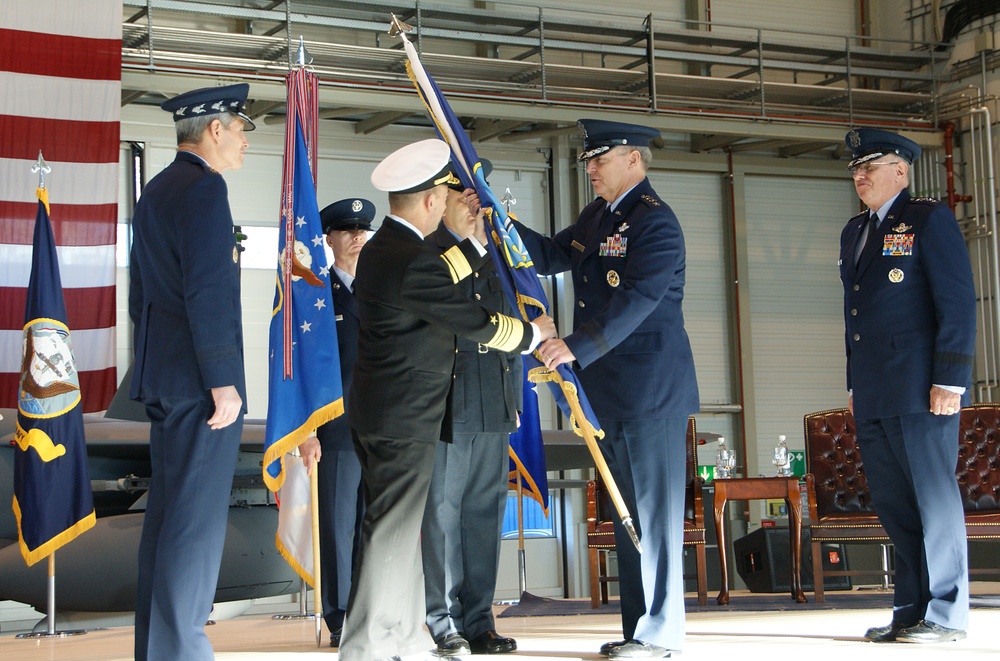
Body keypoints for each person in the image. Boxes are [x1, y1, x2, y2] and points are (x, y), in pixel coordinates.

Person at [337, 138, 556, 661]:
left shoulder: (393, 250)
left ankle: (389, 638)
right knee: (393, 536)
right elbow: (474, 320)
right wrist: (531, 336)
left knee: (395, 532)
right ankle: (367, 645)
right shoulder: (408, 259)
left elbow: (449, 273)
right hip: (405, 417)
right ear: (433, 201)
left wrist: (474, 240)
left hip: (394, 414)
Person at [514, 119, 700, 659]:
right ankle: (637, 627)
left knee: (656, 517)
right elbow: (550, 256)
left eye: (600, 158)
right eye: (589, 159)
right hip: (607, 391)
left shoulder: (656, 223)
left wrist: (577, 345)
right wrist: (499, 224)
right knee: (624, 511)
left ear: (633, 161)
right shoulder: (598, 216)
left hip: (649, 390)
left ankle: (662, 631)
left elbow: (639, 300)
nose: (590, 168)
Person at [128, 83, 254, 661]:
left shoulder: (157, 188)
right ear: (216, 129)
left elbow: (141, 295)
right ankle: (181, 650)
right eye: (242, 127)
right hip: (202, 385)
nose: (246, 139)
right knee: (194, 526)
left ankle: (158, 650)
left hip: (165, 373)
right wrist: (221, 379)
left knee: (167, 520)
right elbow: (206, 289)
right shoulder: (205, 189)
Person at [840, 128, 975, 644]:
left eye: (870, 166)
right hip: (875, 388)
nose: (860, 174)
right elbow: (855, 316)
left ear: (901, 170)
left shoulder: (927, 218)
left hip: (923, 386)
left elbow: (958, 304)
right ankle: (910, 609)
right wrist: (854, 382)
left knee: (934, 502)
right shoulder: (855, 230)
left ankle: (946, 614)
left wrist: (951, 379)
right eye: (855, 167)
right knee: (896, 505)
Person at [421, 161, 519, 656]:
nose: (472, 206)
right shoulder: (431, 254)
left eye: (475, 197)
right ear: (439, 201)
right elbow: (454, 311)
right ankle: (441, 622)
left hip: (492, 403)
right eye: (461, 196)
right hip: (448, 406)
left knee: (484, 513)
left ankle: (479, 620)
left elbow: (514, 322)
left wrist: (513, 399)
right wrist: (461, 239)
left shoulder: (497, 256)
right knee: (441, 514)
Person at [310, 197, 374, 647]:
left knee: (374, 525)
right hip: (336, 428)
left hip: (381, 427)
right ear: (328, 239)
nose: (357, 237)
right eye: (347, 230)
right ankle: (339, 617)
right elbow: (305, 367)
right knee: (337, 525)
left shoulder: (381, 289)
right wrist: (307, 430)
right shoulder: (313, 293)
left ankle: (372, 610)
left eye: (362, 229)